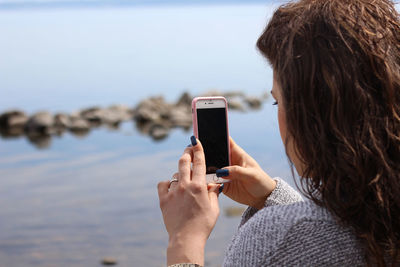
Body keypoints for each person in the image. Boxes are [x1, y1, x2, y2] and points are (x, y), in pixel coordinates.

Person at [157, 0, 400, 266]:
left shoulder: (276, 239)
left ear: (311, 115)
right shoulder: (386, 212)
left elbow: (308, 239)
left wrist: (184, 239)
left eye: (277, 102)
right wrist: (272, 197)